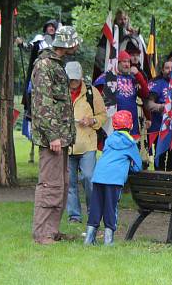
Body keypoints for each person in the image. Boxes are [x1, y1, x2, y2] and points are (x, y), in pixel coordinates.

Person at [31, 25, 81, 245]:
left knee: (60, 185)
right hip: (52, 139)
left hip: (61, 139)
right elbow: (43, 104)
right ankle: (42, 234)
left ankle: (52, 231)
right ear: (67, 43)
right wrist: (53, 136)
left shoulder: (56, 65)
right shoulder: (44, 66)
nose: (78, 45)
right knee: (49, 186)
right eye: (75, 41)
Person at [84, 109, 142, 246]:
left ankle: (89, 238)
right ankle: (108, 240)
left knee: (96, 207)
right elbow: (138, 167)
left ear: (114, 126)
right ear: (131, 126)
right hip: (114, 180)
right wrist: (128, 167)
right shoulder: (131, 144)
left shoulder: (109, 140)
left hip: (98, 176)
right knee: (111, 207)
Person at [65, 61, 107, 224]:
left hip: (87, 144)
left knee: (89, 178)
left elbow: (103, 116)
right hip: (67, 145)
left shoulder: (92, 92)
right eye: (70, 80)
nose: (73, 83)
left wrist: (91, 120)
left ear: (81, 77)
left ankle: (93, 211)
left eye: (75, 79)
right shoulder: (60, 91)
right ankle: (74, 215)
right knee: (70, 182)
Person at [93, 50, 149, 140]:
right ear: (117, 63)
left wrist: (138, 75)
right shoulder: (107, 77)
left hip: (132, 127)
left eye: (128, 62)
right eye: (124, 61)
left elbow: (145, 94)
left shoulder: (133, 78)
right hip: (113, 127)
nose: (127, 64)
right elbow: (96, 99)